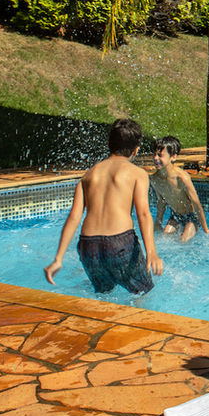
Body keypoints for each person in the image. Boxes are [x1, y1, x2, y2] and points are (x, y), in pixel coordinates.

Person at [44, 118, 163, 293]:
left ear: (108, 144)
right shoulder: (137, 173)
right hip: (119, 243)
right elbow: (143, 213)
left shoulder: (89, 175)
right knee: (144, 292)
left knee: (104, 295)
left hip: (88, 246)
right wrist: (151, 252)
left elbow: (74, 217)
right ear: (136, 149)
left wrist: (58, 258)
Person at [150, 136, 209, 242]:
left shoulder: (182, 178)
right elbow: (161, 202)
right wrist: (157, 223)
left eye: (160, 155)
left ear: (173, 157)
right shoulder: (155, 179)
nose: (155, 158)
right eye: (155, 154)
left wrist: (206, 229)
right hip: (175, 216)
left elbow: (196, 204)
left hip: (192, 217)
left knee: (183, 241)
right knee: (163, 238)